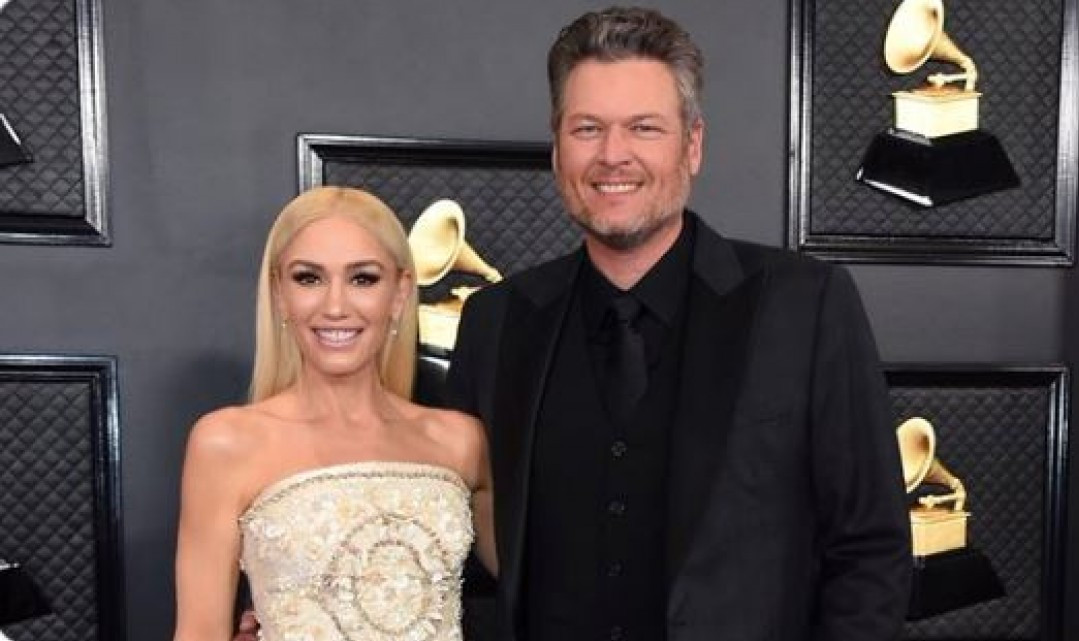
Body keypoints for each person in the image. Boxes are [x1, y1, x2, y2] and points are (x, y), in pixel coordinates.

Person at [444, 6, 911, 641]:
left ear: (692, 145)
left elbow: (870, 551)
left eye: (643, 128)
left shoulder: (806, 304)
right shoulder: (496, 321)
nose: (613, 156)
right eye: (587, 129)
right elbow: (459, 552)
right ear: (557, 150)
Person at [174, 186, 495, 641]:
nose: (336, 306)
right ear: (279, 293)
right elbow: (198, 633)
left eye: (363, 278)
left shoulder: (461, 441)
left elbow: (553, 586)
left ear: (401, 293)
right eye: (309, 278)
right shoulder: (226, 443)